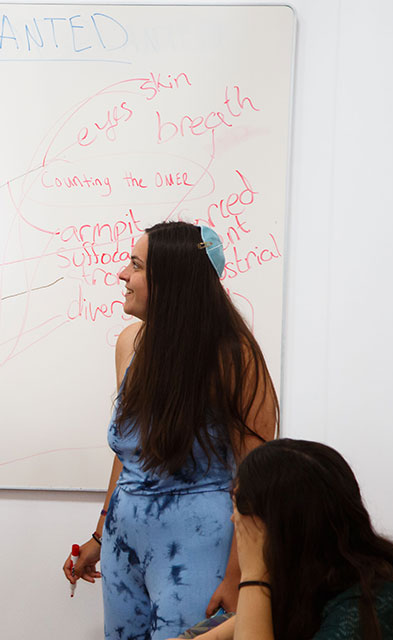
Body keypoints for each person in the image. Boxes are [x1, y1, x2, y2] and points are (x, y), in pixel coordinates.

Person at [63, 221, 278, 640]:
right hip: (125, 545)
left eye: (136, 265)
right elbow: (129, 455)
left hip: (197, 547)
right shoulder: (130, 343)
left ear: (172, 281)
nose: (122, 274)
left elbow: (256, 477)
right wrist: (100, 535)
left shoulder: (235, 356)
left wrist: (240, 577)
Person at [186, 438, 393, 640]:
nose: (235, 521)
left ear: (284, 523)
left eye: (242, 510)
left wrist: (253, 576)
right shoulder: (310, 582)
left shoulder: (379, 602)